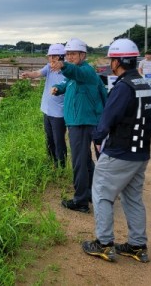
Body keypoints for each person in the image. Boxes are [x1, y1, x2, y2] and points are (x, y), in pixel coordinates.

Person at [81, 39, 151, 263]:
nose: (111, 63)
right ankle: (137, 245)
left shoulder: (123, 87)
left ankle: (103, 243)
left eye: (112, 59)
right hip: (141, 153)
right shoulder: (143, 83)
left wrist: (97, 138)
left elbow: (108, 118)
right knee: (133, 198)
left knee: (102, 193)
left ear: (118, 62)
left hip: (120, 151)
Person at [51, 38, 107, 213]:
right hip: (78, 120)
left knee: (79, 162)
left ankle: (81, 200)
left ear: (83, 55)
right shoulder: (78, 73)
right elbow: (69, 82)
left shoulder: (86, 71)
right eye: (67, 54)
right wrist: (58, 88)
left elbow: (76, 74)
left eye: (73, 54)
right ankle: (90, 192)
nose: (69, 57)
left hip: (82, 122)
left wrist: (63, 66)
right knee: (86, 161)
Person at [21, 44, 68, 167]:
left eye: (54, 56)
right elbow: (37, 73)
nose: (51, 59)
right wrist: (28, 74)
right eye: (50, 56)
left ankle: (61, 166)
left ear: (61, 57)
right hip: (47, 110)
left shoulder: (67, 72)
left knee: (59, 140)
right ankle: (51, 161)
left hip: (59, 113)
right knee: (49, 138)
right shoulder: (49, 68)